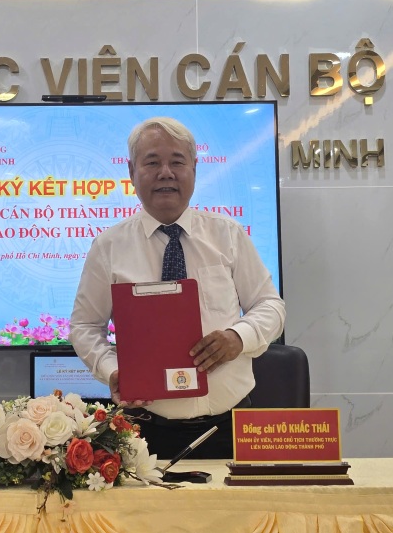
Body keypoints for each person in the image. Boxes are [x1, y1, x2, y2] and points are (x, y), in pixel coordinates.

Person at [69, 116, 285, 459]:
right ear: (131, 171)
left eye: (177, 162)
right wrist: (112, 370)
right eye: (152, 162)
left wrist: (238, 337)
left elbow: (271, 306)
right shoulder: (109, 246)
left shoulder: (227, 234)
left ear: (194, 169)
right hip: (145, 432)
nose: (165, 173)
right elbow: (84, 326)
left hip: (231, 426)